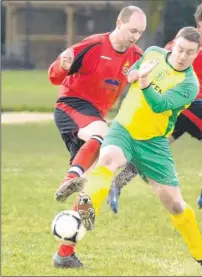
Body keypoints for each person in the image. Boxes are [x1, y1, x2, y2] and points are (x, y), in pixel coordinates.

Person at [55, 26, 202, 272]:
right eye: (179, 49)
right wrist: (135, 74)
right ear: (172, 46)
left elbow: (160, 105)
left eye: (189, 52)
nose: (182, 56)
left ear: (196, 54)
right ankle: (84, 208)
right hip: (124, 128)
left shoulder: (190, 85)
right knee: (108, 160)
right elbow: (133, 72)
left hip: (154, 144)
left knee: (175, 205)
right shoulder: (154, 53)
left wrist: (144, 82)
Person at [108, 1, 202, 214]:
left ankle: (116, 184)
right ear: (199, 22)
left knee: (148, 153)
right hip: (190, 103)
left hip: (176, 108)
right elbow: (165, 58)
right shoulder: (184, 45)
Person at [48, 5, 147, 268]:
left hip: (94, 118)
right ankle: (70, 177)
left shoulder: (137, 56)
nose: (135, 36)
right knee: (101, 134)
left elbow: (144, 87)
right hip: (71, 106)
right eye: (132, 30)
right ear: (118, 23)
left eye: (140, 32)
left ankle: (64, 254)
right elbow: (53, 76)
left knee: (94, 186)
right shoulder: (92, 46)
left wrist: (142, 80)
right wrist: (62, 65)